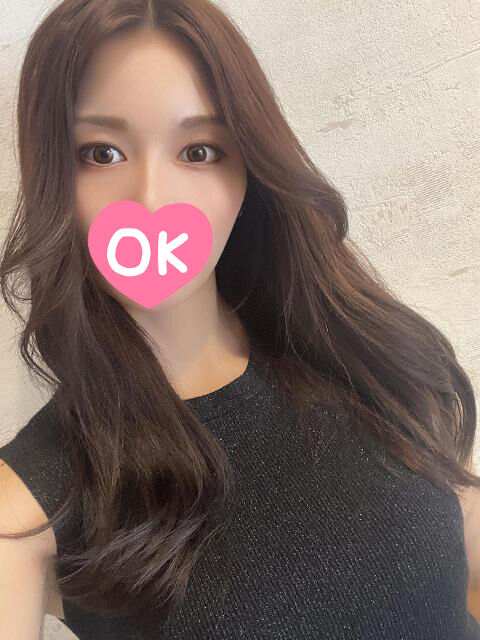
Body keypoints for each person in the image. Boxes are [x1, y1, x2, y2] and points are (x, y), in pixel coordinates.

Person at [0, 0, 479, 638]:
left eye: (198, 150)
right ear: (52, 175)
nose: (151, 200)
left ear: (249, 170)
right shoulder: (25, 514)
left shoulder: (367, 354)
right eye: (102, 153)